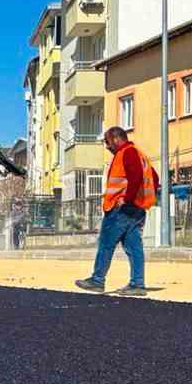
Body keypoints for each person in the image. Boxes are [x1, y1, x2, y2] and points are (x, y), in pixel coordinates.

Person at [76, 125, 159, 297]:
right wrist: (138, 200)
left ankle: (97, 280)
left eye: (107, 142)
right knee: (133, 246)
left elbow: (135, 176)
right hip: (137, 209)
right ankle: (137, 283)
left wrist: (127, 199)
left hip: (121, 209)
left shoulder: (127, 153)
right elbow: (154, 178)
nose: (107, 146)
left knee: (106, 243)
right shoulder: (140, 154)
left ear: (116, 138)